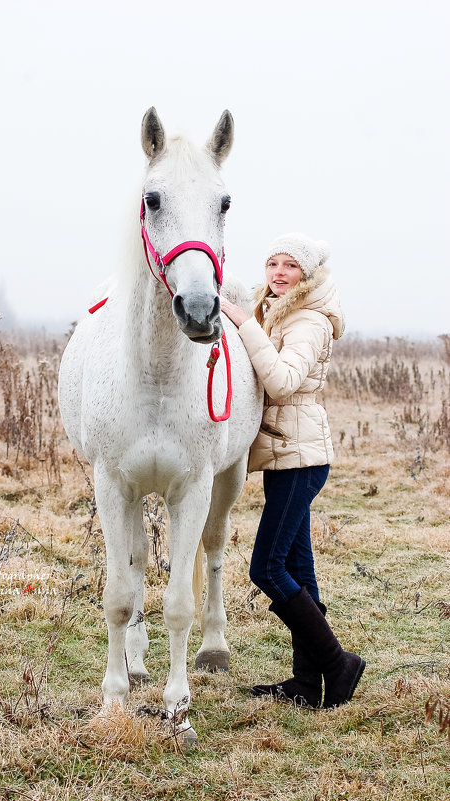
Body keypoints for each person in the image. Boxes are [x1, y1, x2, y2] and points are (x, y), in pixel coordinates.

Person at [221, 232, 365, 709]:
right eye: (272, 264)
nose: (278, 273)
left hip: (301, 458)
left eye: (290, 266)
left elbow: (281, 383)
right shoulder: (281, 313)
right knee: (300, 571)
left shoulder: (307, 321)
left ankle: (339, 663)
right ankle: (307, 683)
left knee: (266, 568)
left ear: (308, 274)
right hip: (287, 455)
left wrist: (245, 325)